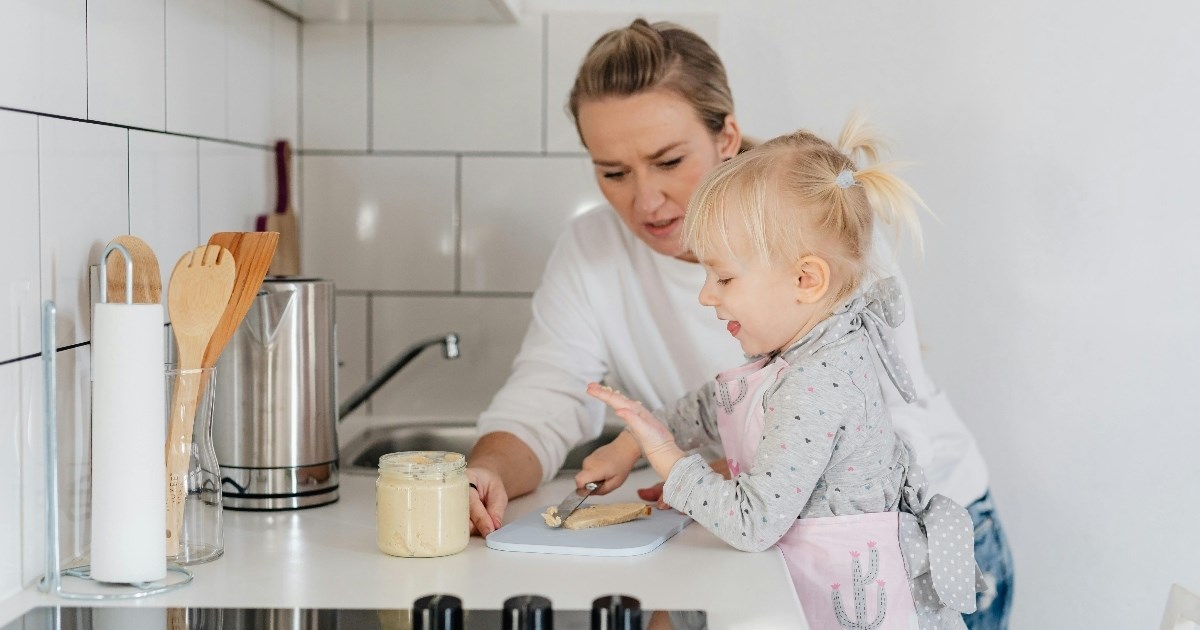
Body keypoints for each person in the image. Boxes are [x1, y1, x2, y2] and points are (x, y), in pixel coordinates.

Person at [465, 18, 1013, 627]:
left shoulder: (817, 229)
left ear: (726, 135)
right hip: (783, 553)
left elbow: (874, 429)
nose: (645, 201)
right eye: (613, 172)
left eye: (668, 161)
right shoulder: (590, 250)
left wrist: (701, 468)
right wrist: (487, 471)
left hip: (911, 555)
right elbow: (555, 395)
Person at [586, 115, 980, 629]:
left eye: (723, 276)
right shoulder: (796, 352)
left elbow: (753, 522)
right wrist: (630, 442)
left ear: (805, 279)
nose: (707, 295)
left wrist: (667, 458)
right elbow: (713, 405)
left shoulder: (820, 381)